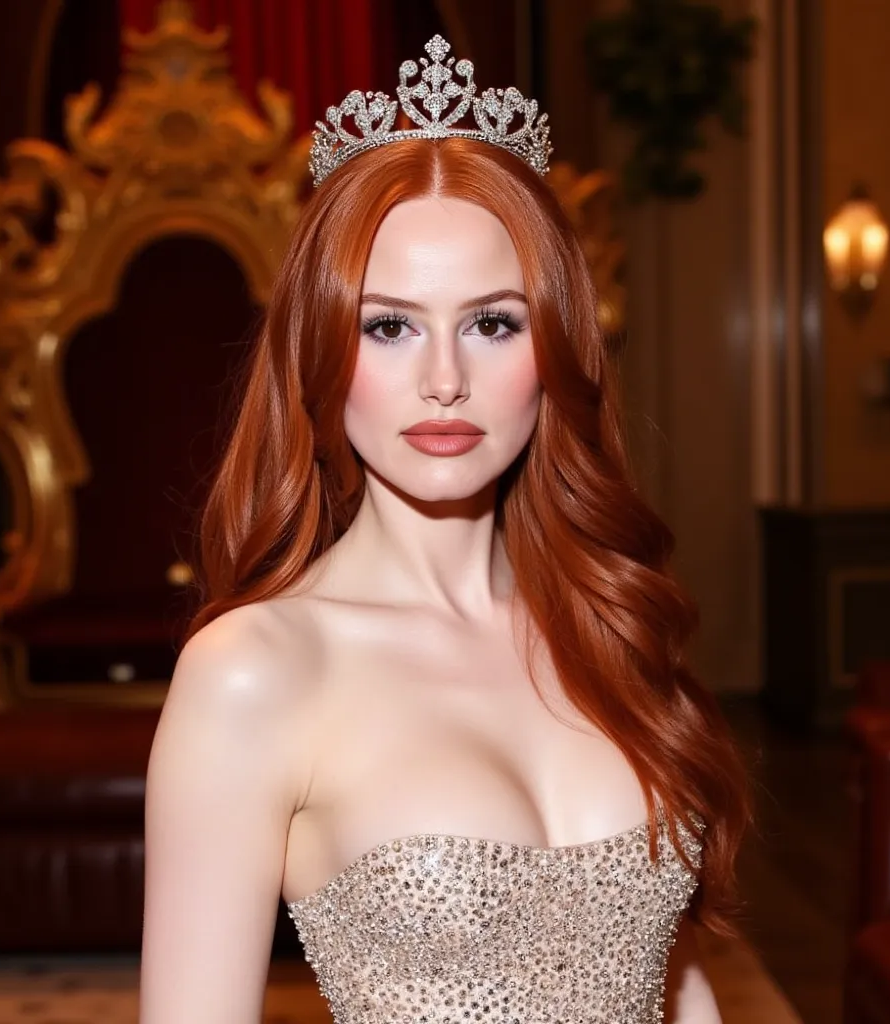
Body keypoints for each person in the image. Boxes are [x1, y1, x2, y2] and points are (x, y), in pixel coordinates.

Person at [139, 34, 751, 1024]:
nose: (443, 379)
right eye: (389, 325)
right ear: (321, 350)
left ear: (553, 345)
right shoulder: (256, 668)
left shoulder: (606, 620)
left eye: (492, 322)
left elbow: (677, 985)